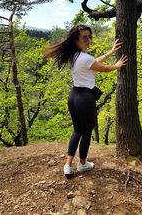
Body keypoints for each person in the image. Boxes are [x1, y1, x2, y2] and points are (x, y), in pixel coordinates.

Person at [44, 24, 127, 179]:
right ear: (76, 40)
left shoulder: (74, 56)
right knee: (86, 133)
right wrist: (117, 65)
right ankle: (82, 164)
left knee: (77, 130)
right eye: (84, 37)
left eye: (89, 36)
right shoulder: (85, 58)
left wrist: (111, 51)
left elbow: (94, 62)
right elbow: (103, 68)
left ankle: (67, 165)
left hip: (73, 96)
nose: (88, 40)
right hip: (85, 99)